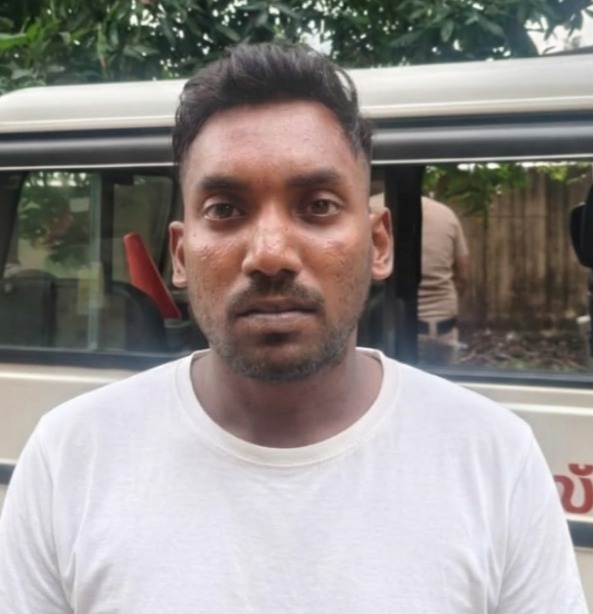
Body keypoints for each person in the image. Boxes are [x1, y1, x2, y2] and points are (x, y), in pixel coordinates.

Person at [0, 43, 586, 614]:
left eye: (319, 206)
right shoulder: (70, 456)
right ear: (180, 254)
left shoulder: (493, 457)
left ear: (379, 243)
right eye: (225, 210)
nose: (270, 254)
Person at [418, 195, 470, 365]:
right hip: (444, 323)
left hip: (396, 326)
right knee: (445, 378)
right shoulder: (446, 213)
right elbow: (462, 274)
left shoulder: (369, 208)